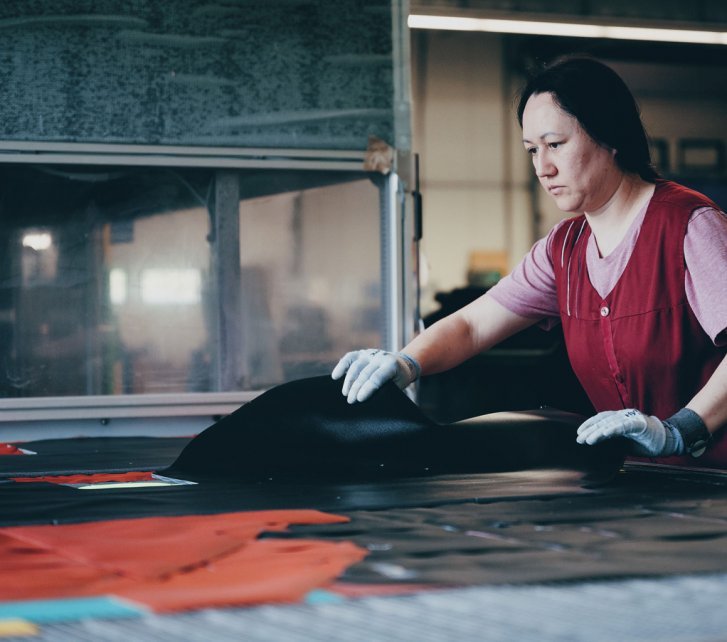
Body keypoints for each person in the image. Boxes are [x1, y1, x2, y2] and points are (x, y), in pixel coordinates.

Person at [332, 56, 727, 468]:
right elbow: (472, 325)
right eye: (532, 150)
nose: (543, 167)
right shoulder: (563, 250)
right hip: (646, 483)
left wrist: (682, 430)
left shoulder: (689, 225)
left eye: (555, 145)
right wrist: (407, 362)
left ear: (610, 137)